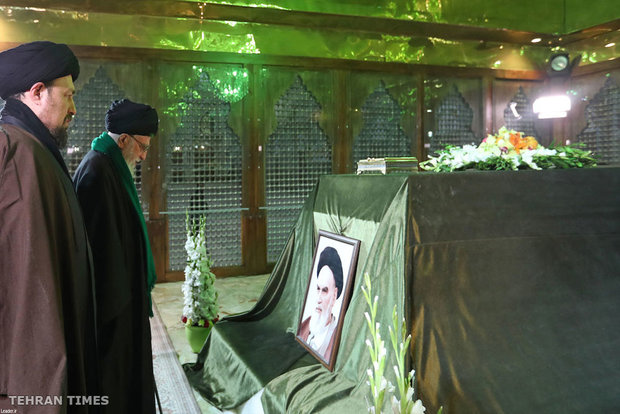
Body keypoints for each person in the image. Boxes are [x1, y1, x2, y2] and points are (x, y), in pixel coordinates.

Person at [0, 41, 99, 412]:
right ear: (37, 92)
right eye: (69, 95)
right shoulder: (12, 152)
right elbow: (21, 286)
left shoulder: (34, 148)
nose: (74, 107)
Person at [72, 99, 158, 413]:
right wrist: (119, 311)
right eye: (142, 147)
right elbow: (98, 253)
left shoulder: (110, 165)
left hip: (125, 300)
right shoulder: (97, 170)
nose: (144, 156)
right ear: (123, 140)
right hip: (113, 309)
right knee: (115, 382)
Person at [299, 246, 344, 360]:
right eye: (318, 288)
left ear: (334, 295)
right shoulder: (305, 325)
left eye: (324, 290)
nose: (318, 298)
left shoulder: (337, 337)